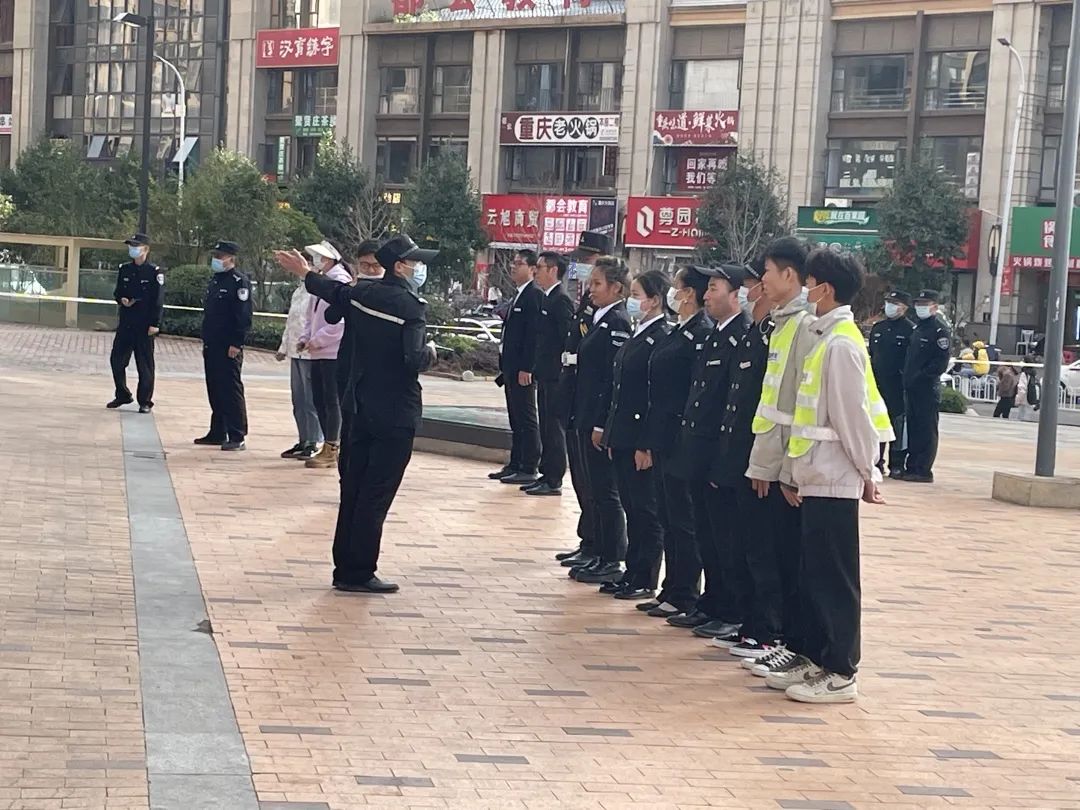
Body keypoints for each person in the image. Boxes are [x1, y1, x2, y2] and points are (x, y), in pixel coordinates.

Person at [275, 234, 438, 594]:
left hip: (359, 407)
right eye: (414, 262)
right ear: (400, 267)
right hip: (395, 413)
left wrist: (304, 271)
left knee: (352, 488)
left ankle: (345, 568)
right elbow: (413, 359)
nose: (418, 268)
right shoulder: (411, 306)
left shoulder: (362, 294)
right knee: (376, 493)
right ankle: (360, 570)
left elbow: (332, 292)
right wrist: (431, 352)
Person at [768, 249, 891, 704]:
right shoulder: (826, 337)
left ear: (826, 289)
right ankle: (817, 657)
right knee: (814, 572)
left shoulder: (841, 344)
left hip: (836, 475)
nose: (806, 290)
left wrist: (868, 471)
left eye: (810, 282)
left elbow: (852, 417)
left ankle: (841, 670)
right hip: (816, 473)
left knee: (835, 578)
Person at [740, 237, 816, 682]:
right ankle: (784, 644)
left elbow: (799, 408)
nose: (761, 281)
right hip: (769, 463)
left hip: (789, 471)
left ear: (790, 275)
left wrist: (786, 470)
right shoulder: (780, 324)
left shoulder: (805, 327)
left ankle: (788, 643)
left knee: (787, 562)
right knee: (769, 555)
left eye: (767, 272)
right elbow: (770, 406)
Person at [664, 264, 748, 643]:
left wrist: (721, 459)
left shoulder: (740, 336)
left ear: (736, 295)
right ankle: (711, 602)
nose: (708, 295)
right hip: (697, 451)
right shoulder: (716, 335)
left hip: (719, 454)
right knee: (705, 533)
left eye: (714, 288)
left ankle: (729, 609)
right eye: (708, 288)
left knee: (725, 538)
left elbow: (730, 404)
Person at [716, 259, 785, 660]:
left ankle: (766, 630)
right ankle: (748, 623)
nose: (746, 292)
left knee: (762, 549)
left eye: (750, 284)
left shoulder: (773, 334)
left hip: (760, 458)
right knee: (740, 545)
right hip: (739, 456)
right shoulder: (752, 333)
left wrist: (764, 461)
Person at [636, 267, 713, 619]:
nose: (674, 294)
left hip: (681, 437)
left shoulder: (701, 333)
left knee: (683, 520)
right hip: (662, 435)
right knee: (668, 515)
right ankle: (671, 587)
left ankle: (685, 592)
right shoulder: (679, 330)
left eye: (678, 288)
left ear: (689, 294)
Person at [602, 270, 671, 601]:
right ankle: (631, 571)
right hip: (623, 434)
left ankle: (645, 577)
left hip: (639, 438)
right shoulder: (638, 332)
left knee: (646, 511)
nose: (631, 301)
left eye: (636, 294)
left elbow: (654, 397)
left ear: (654, 300)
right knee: (631, 506)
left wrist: (646, 444)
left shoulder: (661, 336)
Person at [567, 256, 632, 585]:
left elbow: (611, 378)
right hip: (583, 412)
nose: (590, 289)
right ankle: (595, 549)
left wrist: (601, 422)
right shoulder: (598, 317)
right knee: (591, 488)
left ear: (616, 287)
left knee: (606, 491)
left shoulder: (617, 321)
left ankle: (611, 556)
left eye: (597, 283)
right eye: (590, 282)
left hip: (597, 417)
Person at [553, 231, 612, 571]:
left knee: (595, 484)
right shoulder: (588, 300)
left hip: (589, 401)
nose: (583, 267)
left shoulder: (609, 310)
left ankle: (597, 544)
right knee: (580, 477)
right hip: (575, 396)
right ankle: (587, 539)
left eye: (588, 260)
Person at [489, 250, 543, 486]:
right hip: (510, 367)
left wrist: (527, 367)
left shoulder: (534, 295)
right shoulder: (519, 295)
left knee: (526, 417)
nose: (513, 266)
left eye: (519, 263)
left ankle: (529, 466)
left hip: (523, 370)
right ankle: (515, 463)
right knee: (515, 418)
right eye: (513, 262)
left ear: (532, 269)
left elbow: (533, 336)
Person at [299, 241, 353, 469]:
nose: (317, 261)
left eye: (321, 257)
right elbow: (311, 316)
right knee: (319, 399)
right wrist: (305, 337)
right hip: (316, 352)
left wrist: (317, 340)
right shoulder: (322, 282)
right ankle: (328, 446)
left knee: (332, 401)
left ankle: (333, 446)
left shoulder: (340, 281)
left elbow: (339, 322)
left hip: (332, 352)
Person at [194, 241, 252, 451]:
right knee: (215, 387)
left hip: (229, 344)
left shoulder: (239, 282)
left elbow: (243, 315)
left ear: (231, 258)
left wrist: (237, 342)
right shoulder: (216, 280)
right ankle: (218, 431)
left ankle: (237, 434)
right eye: (215, 255)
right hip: (212, 342)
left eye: (220, 256)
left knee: (230, 389)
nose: (216, 259)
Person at [526, 251, 575, 496]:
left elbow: (566, 338)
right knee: (545, 425)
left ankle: (554, 478)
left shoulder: (561, 299)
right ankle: (545, 473)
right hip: (544, 372)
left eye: (541, 267)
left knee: (554, 427)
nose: (536, 271)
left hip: (555, 374)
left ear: (553, 270)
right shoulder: (547, 297)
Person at [107, 233, 164, 413]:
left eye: (136, 246)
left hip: (144, 325)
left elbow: (158, 300)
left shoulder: (154, 272)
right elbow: (118, 292)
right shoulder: (124, 269)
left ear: (145, 249)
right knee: (116, 360)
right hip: (126, 323)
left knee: (144, 365)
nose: (132, 249)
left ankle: (145, 401)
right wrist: (121, 299)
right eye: (131, 246)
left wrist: (155, 323)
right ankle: (122, 394)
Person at [901, 289, 951, 483]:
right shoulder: (918, 328)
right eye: (918, 304)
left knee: (926, 429)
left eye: (925, 304)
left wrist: (921, 376)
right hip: (912, 387)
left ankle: (923, 469)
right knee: (913, 428)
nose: (920, 307)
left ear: (934, 307)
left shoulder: (939, 331)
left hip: (926, 388)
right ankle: (912, 466)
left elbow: (940, 363)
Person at [868, 290, 913, 478]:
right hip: (878, 384)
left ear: (904, 307)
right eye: (888, 302)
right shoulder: (878, 328)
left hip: (898, 385)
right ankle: (877, 462)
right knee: (877, 425)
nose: (890, 307)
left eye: (895, 303)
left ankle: (897, 464)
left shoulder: (910, 330)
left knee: (898, 426)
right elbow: (872, 354)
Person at [277, 279, 322, 461]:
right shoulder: (299, 290)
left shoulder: (319, 289)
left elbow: (314, 322)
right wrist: (283, 347)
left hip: (311, 352)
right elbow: (292, 321)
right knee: (299, 400)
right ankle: (303, 439)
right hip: (296, 351)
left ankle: (315, 441)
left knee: (311, 400)